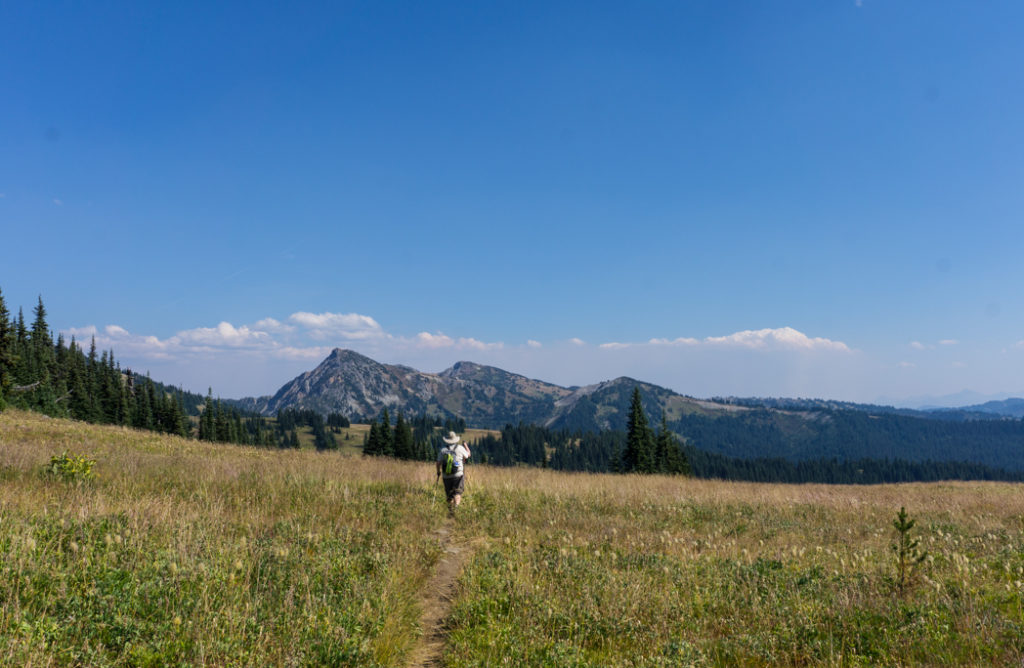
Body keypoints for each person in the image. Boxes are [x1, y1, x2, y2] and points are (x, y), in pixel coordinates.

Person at [436, 431, 471, 516]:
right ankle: (456, 509)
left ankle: (450, 512)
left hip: (446, 475)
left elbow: (438, 463)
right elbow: (468, 455)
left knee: (449, 494)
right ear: (455, 439)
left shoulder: (443, 450)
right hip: (458, 475)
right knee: (457, 492)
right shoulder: (460, 448)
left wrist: (438, 472)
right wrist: (466, 445)